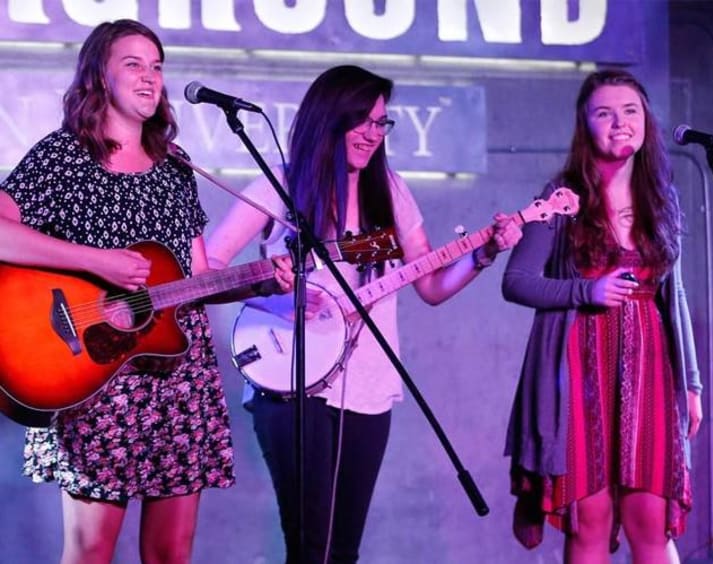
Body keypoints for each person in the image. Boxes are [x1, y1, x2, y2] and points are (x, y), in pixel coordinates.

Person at [206, 64, 523, 563]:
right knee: (311, 546)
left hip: (368, 384)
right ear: (330, 118)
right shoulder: (281, 186)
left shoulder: (390, 191)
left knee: (343, 550)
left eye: (382, 123)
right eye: (363, 121)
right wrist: (271, 293)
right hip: (291, 380)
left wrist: (482, 255)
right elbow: (209, 267)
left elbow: (432, 286)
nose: (373, 134)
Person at [0, 19, 240, 564]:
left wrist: (258, 280)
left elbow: (196, 275)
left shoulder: (177, 169)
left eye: (157, 66)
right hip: (96, 371)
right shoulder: (63, 157)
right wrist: (95, 262)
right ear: (99, 76)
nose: (150, 77)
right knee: (90, 553)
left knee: (170, 553)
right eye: (134, 64)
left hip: (180, 374)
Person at [501, 68, 703, 564]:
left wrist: (691, 384)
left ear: (646, 122)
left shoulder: (662, 198)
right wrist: (585, 289)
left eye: (630, 111)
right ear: (585, 124)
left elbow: (673, 296)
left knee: (650, 523)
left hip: (650, 374)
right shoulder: (562, 197)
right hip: (580, 373)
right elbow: (517, 281)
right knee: (589, 523)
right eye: (604, 113)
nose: (619, 123)